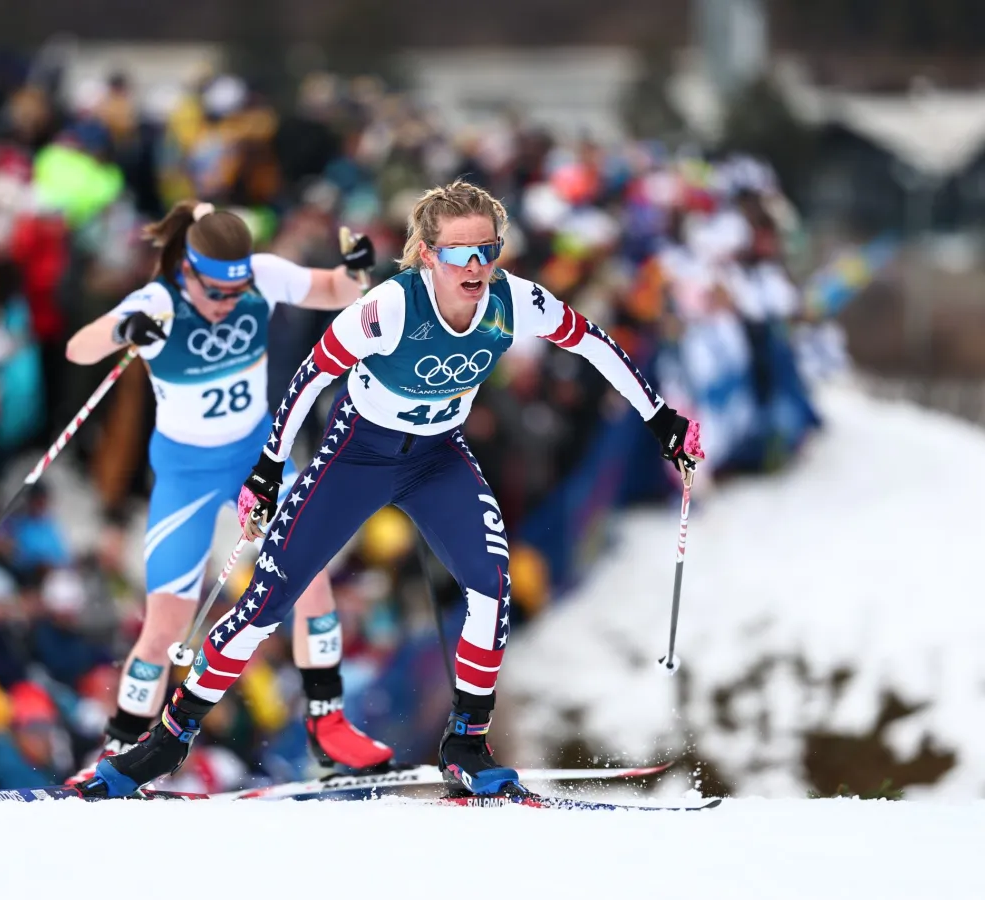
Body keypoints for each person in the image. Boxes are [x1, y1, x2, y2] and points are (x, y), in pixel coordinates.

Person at [82, 180, 704, 800]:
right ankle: (168, 737)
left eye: (487, 250)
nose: (477, 266)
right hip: (359, 455)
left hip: (438, 457)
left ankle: (466, 742)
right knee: (268, 603)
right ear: (429, 255)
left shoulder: (514, 301)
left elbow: (594, 343)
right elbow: (308, 379)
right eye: (459, 253)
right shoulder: (389, 308)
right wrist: (270, 470)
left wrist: (661, 420)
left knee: (492, 585)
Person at [64, 199, 390, 783]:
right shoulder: (160, 301)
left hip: (255, 459)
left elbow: (338, 289)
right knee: (165, 626)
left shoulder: (257, 275)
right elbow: (78, 348)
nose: (225, 305)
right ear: (189, 271)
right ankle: (117, 756)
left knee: (312, 582)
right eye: (215, 292)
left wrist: (359, 266)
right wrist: (121, 329)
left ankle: (329, 725)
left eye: (236, 293)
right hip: (185, 475)